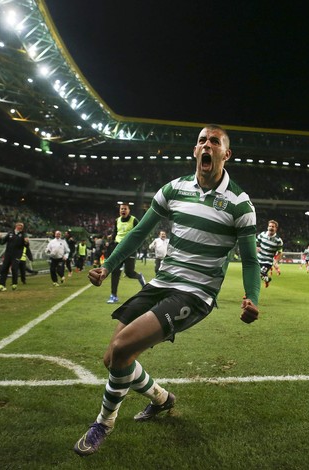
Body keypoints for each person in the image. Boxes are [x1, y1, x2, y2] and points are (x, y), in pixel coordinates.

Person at [73, 125, 261, 457]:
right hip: (162, 283)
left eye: (214, 142)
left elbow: (249, 260)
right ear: (195, 151)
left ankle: (104, 422)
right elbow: (139, 232)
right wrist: (108, 266)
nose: (207, 145)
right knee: (113, 358)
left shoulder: (240, 204)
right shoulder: (173, 189)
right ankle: (162, 399)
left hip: (194, 294)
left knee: (121, 348)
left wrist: (252, 298)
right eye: (202, 140)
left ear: (225, 154)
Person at [105, 204, 146, 304]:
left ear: (129, 210)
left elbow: (140, 233)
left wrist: (138, 247)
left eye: (125, 209)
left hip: (130, 249)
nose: (123, 210)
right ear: (119, 210)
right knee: (115, 272)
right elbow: (115, 233)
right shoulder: (117, 220)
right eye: (121, 209)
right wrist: (110, 240)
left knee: (129, 273)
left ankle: (139, 277)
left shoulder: (134, 220)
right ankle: (113, 295)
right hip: (118, 248)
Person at [0, 222, 29, 291]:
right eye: (19, 225)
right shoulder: (10, 233)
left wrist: (26, 242)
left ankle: (14, 283)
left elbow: (26, 246)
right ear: (16, 226)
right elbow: (2, 242)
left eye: (22, 226)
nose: (20, 227)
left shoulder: (23, 234)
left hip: (17, 255)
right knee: (4, 269)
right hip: (8, 254)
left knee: (14, 269)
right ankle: (1, 285)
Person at [256, 220, 283, 288]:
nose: (271, 228)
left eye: (273, 227)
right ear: (267, 227)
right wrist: (256, 247)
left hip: (267, 262)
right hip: (258, 259)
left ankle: (249, 294)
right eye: (270, 226)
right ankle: (267, 279)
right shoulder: (262, 234)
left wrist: (276, 262)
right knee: (254, 275)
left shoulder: (278, 240)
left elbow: (280, 252)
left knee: (259, 275)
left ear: (276, 228)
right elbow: (255, 242)